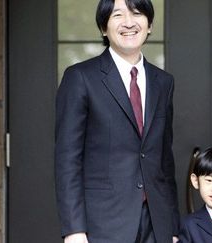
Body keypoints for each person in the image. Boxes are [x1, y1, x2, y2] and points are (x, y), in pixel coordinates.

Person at [54, 0, 179, 242]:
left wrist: (172, 227)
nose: (129, 23)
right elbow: (67, 160)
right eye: (118, 15)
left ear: (149, 24)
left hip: (157, 223)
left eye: (137, 14)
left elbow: (164, 160)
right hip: (102, 223)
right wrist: (74, 230)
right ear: (104, 27)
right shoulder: (80, 77)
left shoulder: (163, 82)